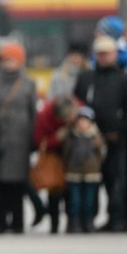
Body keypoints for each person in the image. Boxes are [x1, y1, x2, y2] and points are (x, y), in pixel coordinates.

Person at [74, 35, 127, 231]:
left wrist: (120, 129)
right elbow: (77, 103)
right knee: (89, 181)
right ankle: (87, 220)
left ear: (115, 54)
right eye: (100, 54)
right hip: (88, 140)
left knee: (117, 182)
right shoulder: (86, 77)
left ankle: (117, 219)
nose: (103, 57)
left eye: (107, 53)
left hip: (115, 139)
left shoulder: (125, 79)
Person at [0, 42, 37, 233]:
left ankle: (17, 222)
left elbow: (33, 113)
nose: (9, 63)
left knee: (18, 184)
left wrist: (33, 139)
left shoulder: (28, 83)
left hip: (20, 140)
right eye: (6, 59)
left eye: (13, 60)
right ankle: (1, 222)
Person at [31, 95, 77, 235]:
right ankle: (54, 225)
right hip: (54, 155)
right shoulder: (44, 116)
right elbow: (40, 142)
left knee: (71, 192)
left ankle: (73, 224)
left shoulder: (78, 107)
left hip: (74, 156)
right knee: (55, 191)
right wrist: (57, 138)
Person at [60, 105, 106, 233]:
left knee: (89, 201)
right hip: (74, 174)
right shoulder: (71, 136)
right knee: (75, 201)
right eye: (80, 120)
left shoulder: (96, 137)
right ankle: (75, 223)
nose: (82, 123)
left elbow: (101, 154)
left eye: (85, 121)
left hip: (91, 174)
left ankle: (89, 222)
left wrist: (96, 166)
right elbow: (66, 153)